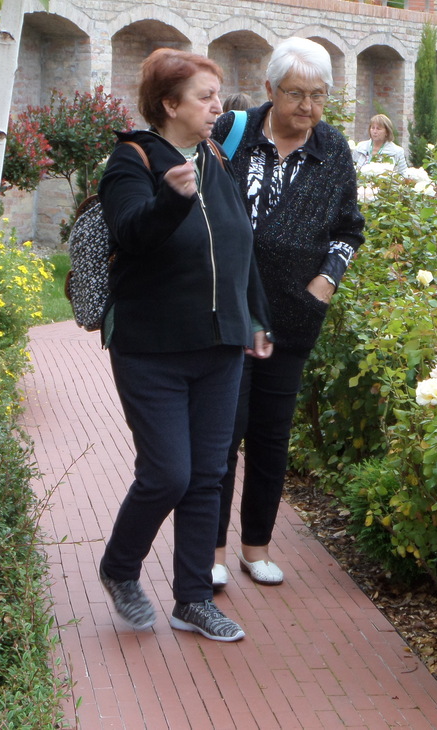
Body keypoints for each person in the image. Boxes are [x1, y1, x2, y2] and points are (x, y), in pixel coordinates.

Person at [96, 48, 273, 642]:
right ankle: (120, 568)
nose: (217, 106)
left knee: (207, 475)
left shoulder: (214, 158)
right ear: (169, 105)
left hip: (219, 346)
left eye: (217, 94)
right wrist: (170, 199)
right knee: (168, 474)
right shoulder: (133, 160)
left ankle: (193, 600)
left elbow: (241, 245)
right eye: (204, 96)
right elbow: (131, 233)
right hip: (152, 349)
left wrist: (255, 318)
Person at [210, 37, 365, 587]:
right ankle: (212, 552)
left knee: (271, 437)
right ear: (270, 89)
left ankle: (256, 547)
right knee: (222, 435)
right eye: (296, 93)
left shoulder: (333, 150)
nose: (307, 106)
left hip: (293, 316)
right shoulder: (232, 133)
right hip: (228, 312)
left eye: (318, 95)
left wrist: (325, 283)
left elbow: (349, 230)